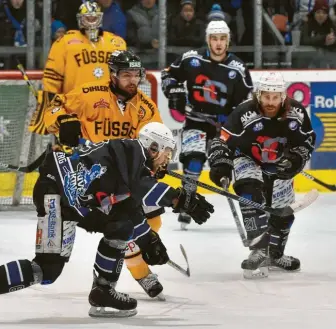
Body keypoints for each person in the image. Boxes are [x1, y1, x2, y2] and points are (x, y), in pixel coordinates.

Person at [0, 122, 215, 322]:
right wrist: (181, 200)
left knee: (113, 229)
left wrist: (149, 241)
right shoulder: (131, 151)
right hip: (57, 193)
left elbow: (130, 211)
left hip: (75, 202)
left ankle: (101, 291)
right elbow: (144, 188)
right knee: (51, 266)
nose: (167, 160)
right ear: (152, 147)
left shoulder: (136, 165)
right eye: (166, 154)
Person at [31, 50, 169, 300]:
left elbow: (155, 138)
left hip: (126, 179)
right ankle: (137, 273)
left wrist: (157, 160)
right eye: (126, 75)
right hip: (88, 180)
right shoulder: (88, 94)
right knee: (57, 261)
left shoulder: (145, 107)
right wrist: (63, 121)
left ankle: (128, 275)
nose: (132, 81)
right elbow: (53, 108)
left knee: (152, 220)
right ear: (113, 75)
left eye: (136, 75)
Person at [207, 72, 316, 279]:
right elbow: (221, 141)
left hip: (279, 163)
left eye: (275, 97)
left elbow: (308, 140)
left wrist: (296, 159)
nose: (271, 102)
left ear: (283, 96)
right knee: (250, 191)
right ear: (259, 95)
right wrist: (220, 164)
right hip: (247, 158)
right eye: (267, 97)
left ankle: (275, 254)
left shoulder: (296, 112)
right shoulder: (243, 113)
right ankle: (258, 248)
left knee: (283, 215)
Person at [161, 20, 253, 230]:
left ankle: (252, 209)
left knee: (227, 166)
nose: (218, 43)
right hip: (196, 120)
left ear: (228, 41)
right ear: (208, 40)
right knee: (193, 161)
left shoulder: (237, 68)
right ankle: (187, 203)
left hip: (223, 125)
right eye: (214, 38)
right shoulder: (191, 58)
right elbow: (168, 74)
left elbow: (245, 103)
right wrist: (173, 91)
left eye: (222, 39)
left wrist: (232, 119)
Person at [33, 0, 126, 121]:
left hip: (107, 110)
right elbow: (52, 79)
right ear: (80, 19)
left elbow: (124, 79)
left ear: (101, 18)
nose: (91, 23)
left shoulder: (116, 43)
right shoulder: (65, 42)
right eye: (87, 18)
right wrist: (50, 104)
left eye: (94, 18)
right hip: (75, 109)